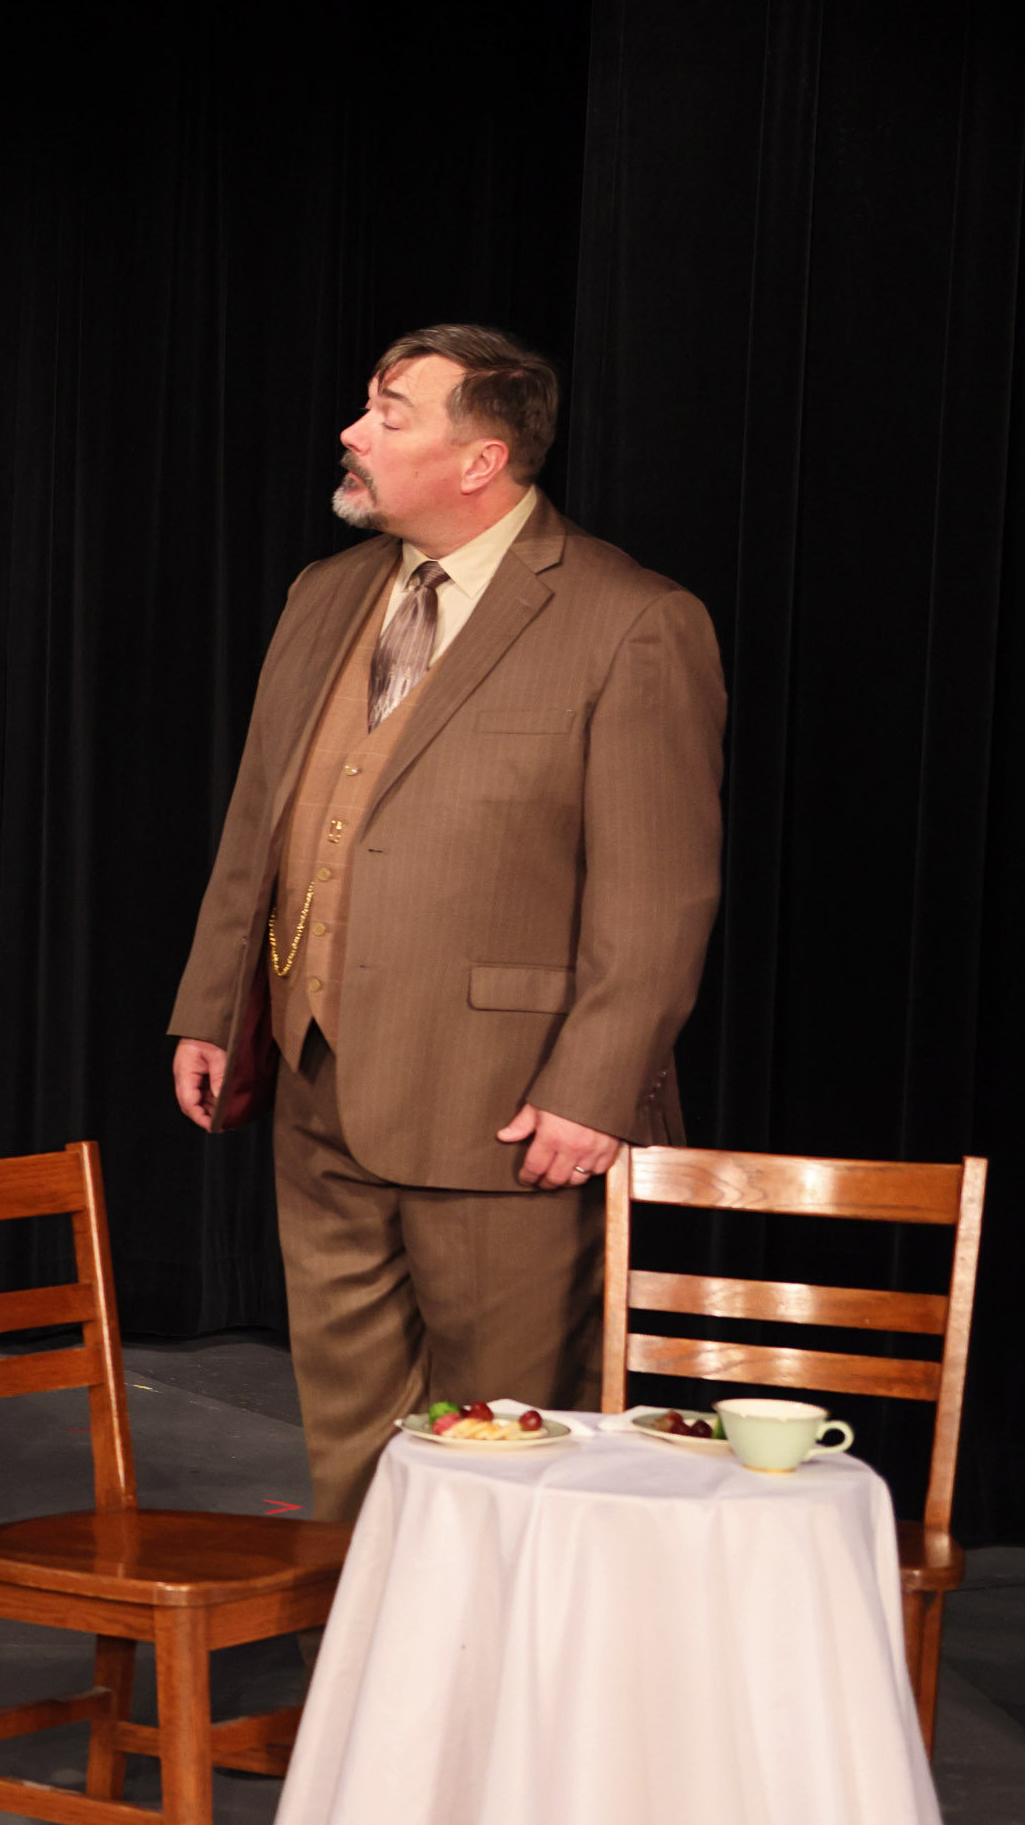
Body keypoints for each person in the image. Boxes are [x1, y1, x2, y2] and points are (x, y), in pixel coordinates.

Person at [166, 326, 725, 1524]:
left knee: (511, 1445)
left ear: (481, 460)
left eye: (389, 413)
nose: (351, 432)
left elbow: (659, 889)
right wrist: (214, 1007)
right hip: (318, 1086)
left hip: (506, 1109)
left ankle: (501, 1652)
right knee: (350, 1432)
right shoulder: (323, 594)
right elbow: (261, 820)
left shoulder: (629, 619)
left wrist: (593, 1087)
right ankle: (375, 1636)